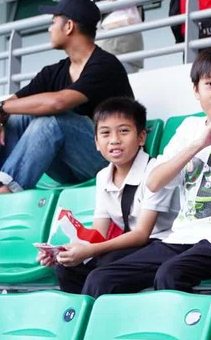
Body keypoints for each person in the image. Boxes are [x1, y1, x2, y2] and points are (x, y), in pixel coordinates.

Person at [80, 47, 211, 297]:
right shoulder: (189, 129)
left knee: (171, 274)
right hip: (181, 237)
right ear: (196, 90)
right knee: (100, 278)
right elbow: (155, 182)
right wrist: (200, 142)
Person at [0, 0, 133, 196]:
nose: (49, 29)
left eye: (53, 23)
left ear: (69, 26)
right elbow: (13, 105)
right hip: (69, 167)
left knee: (51, 121)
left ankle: (7, 190)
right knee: (18, 116)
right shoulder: (54, 72)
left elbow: (58, 103)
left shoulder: (104, 65)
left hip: (109, 161)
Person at [39, 98, 177, 294]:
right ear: (96, 142)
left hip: (162, 246)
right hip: (132, 248)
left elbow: (141, 234)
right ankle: (79, 320)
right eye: (105, 133)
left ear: (141, 137)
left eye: (123, 131)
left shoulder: (155, 171)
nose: (114, 140)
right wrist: (63, 253)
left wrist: (91, 251)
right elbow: (99, 234)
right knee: (66, 269)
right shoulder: (103, 177)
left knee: (103, 271)